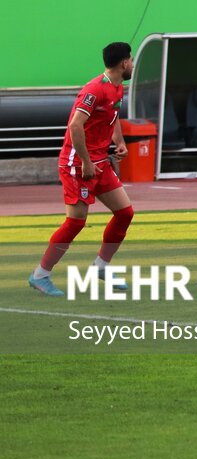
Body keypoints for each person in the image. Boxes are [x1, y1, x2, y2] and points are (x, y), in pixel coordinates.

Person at [27, 42, 135, 297]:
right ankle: (40, 274)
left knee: (125, 213)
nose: (132, 64)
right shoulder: (94, 89)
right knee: (76, 222)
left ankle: (101, 266)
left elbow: (113, 115)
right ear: (123, 63)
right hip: (78, 163)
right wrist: (86, 162)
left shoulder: (118, 87)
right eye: (130, 59)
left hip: (99, 162)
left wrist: (118, 142)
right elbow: (76, 126)